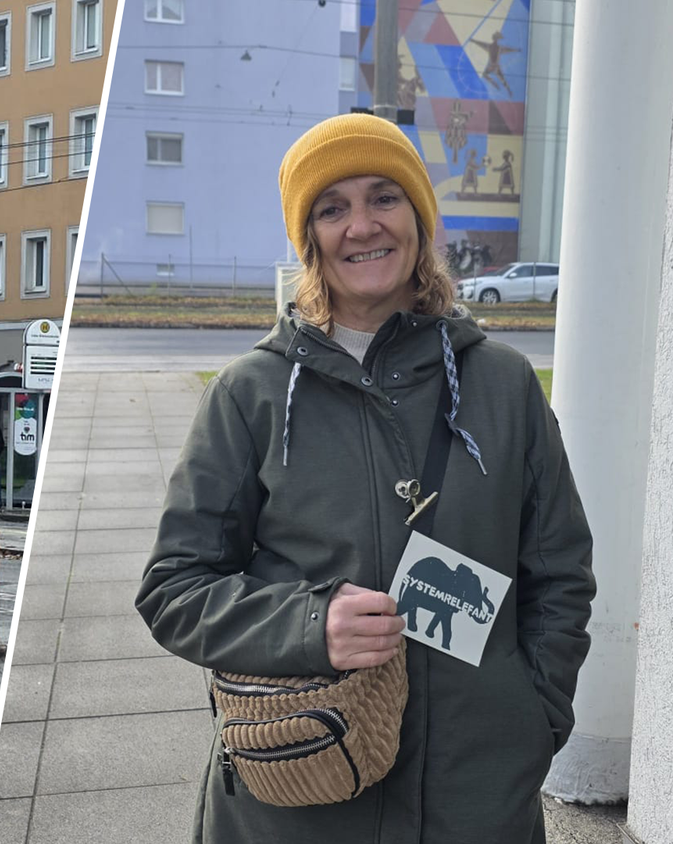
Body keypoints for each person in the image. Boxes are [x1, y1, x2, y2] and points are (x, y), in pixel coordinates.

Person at [134, 114, 594, 843]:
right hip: (301, 791)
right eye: (332, 207)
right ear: (309, 238)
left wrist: (534, 720)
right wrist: (311, 626)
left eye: (384, 196)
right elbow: (174, 589)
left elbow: (559, 572)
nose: (361, 226)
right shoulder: (250, 394)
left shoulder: (501, 383)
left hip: (474, 797)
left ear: (418, 217)